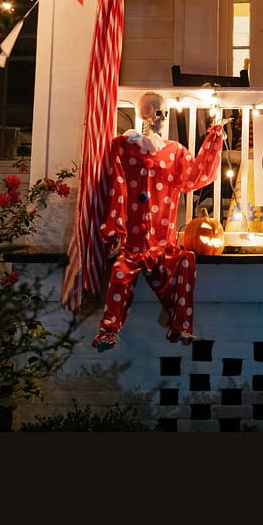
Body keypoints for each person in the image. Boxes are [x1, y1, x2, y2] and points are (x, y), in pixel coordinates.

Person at [92, 91, 222, 350]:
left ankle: (181, 326)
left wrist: (214, 138)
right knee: (119, 276)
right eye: (154, 111)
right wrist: (114, 229)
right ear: (143, 115)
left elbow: (196, 176)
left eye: (162, 111)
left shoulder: (174, 153)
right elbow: (116, 187)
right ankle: (108, 331)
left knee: (186, 262)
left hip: (163, 242)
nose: (159, 117)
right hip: (132, 242)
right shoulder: (122, 147)